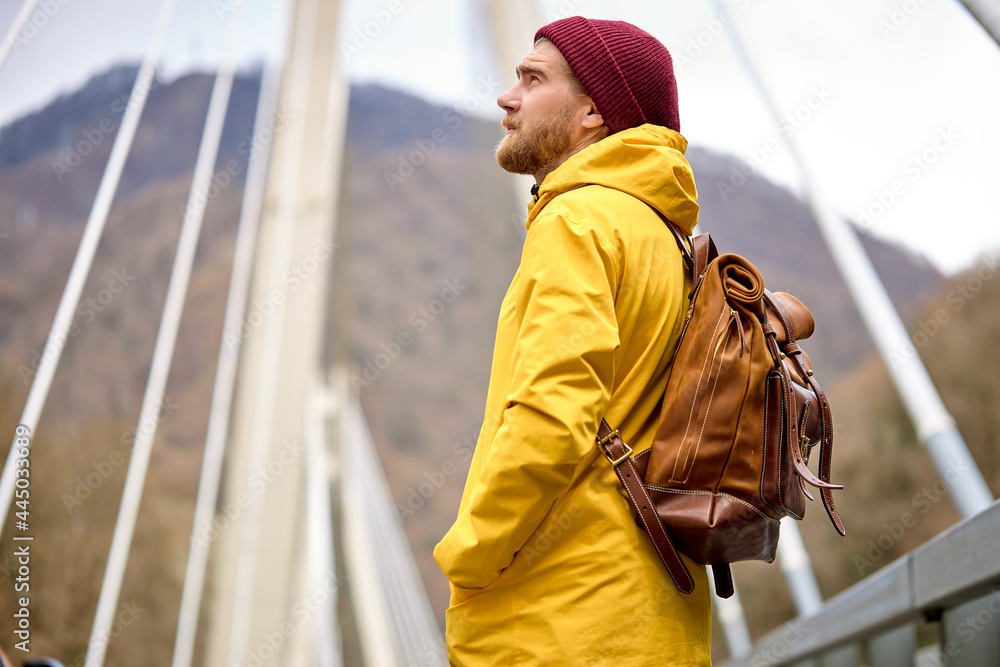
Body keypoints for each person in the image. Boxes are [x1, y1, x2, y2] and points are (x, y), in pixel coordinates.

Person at [433, 15, 712, 666]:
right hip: (652, 614)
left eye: (532, 79)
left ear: (593, 112)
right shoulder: (657, 232)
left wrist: (470, 553)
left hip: (561, 622)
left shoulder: (577, 221)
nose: (507, 97)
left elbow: (552, 418)